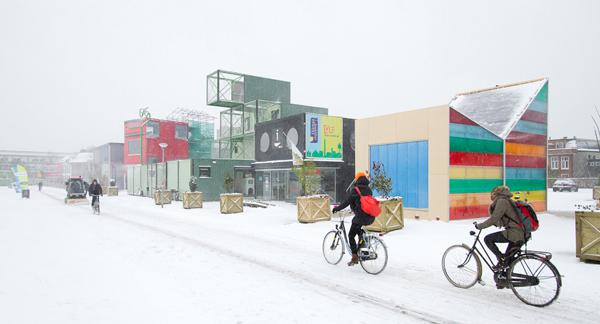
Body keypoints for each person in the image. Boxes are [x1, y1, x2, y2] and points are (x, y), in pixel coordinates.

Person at [475, 186, 526, 270]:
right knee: (506, 262)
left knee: (488, 239)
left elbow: (494, 218)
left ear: (497, 193)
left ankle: (501, 258)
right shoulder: (507, 200)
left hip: (515, 233)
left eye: (493, 193)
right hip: (521, 233)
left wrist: (480, 226)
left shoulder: (502, 201)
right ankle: (504, 278)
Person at [332, 171, 376, 266]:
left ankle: (354, 256)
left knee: (351, 235)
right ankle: (362, 247)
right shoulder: (369, 189)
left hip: (361, 217)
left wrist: (337, 208)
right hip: (371, 216)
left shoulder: (356, 190)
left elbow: (347, 202)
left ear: (357, 179)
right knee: (359, 230)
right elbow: (361, 203)